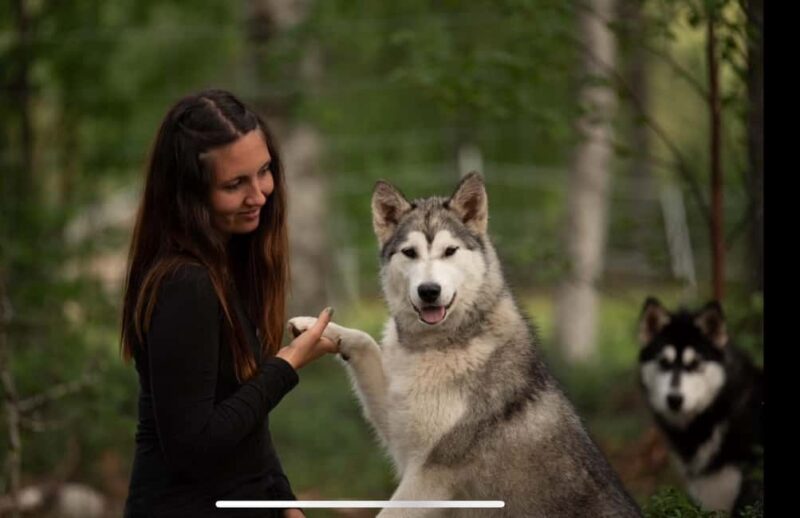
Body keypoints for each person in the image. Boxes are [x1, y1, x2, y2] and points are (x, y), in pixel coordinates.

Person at [120, 89, 337, 517]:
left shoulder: (231, 263)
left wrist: (283, 502)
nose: (259, 194)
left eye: (264, 172)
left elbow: (245, 425)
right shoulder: (185, 283)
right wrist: (287, 363)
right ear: (189, 192)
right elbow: (195, 446)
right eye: (235, 184)